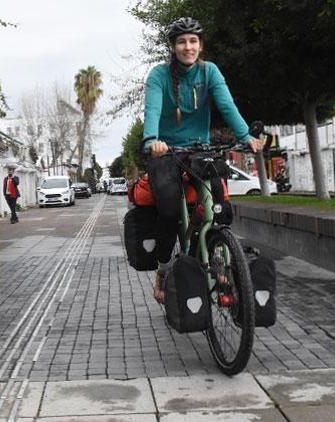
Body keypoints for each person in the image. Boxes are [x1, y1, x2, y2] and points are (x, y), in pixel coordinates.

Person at [142, 17, 263, 304]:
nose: (188, 47)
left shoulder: (210, 72)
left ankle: (215, 255)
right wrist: (151, 140)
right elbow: (152, 108)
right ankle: (164, 269)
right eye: (182, 41)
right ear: (173, 47)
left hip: (200, 149)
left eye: (193, 41)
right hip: (165, 150)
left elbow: (226, 105)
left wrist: (245, 136)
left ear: (201, 45)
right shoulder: (159, 75)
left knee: (219, 209)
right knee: (170, 209)